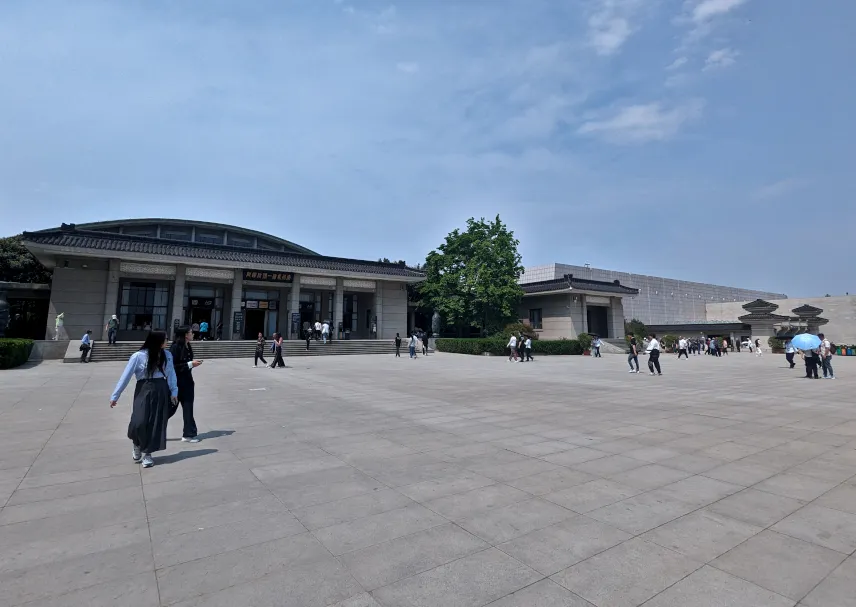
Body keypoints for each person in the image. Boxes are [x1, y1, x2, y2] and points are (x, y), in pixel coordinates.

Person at [110, 331, 178, 468]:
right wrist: (115, 396)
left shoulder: (167, 355)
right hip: (144, 389)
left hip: (161, 389)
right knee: (138, 421)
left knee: (155, 423)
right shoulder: (138, 356)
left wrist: (174, 391)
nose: (167, 341)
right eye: (165, 339)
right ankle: (136, 443)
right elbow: (126, 376)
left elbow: (171, 374)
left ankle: (147, 453)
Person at [170, 326, 202, 443]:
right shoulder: (175, 347)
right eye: (191, 332)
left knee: (188, 408)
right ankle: (153, 427)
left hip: (188, 382)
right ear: (185, 335)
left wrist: (192, 364)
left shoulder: (188, 346)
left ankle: (188, 434)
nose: (193, 334)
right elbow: (172, 367)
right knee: (170, 409)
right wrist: (189, 364)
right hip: (176, 384)